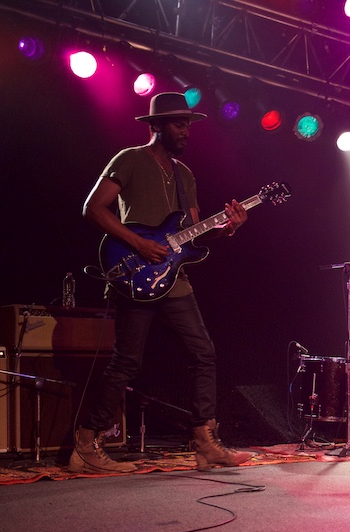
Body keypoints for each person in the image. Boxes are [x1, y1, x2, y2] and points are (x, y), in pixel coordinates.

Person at [70, 92, 254, 474]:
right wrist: (139, 243)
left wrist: (227, 229)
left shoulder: (185, 175)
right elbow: (93, 208)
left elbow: (193, 234)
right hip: (135, 272)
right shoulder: (130, 159)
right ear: (155, 126)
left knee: (204, 354)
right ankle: (86, 444)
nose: (186, 131)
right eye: (178, 124)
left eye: (188, 124)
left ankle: (205, 442)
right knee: (126, 363)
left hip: (175, 278)